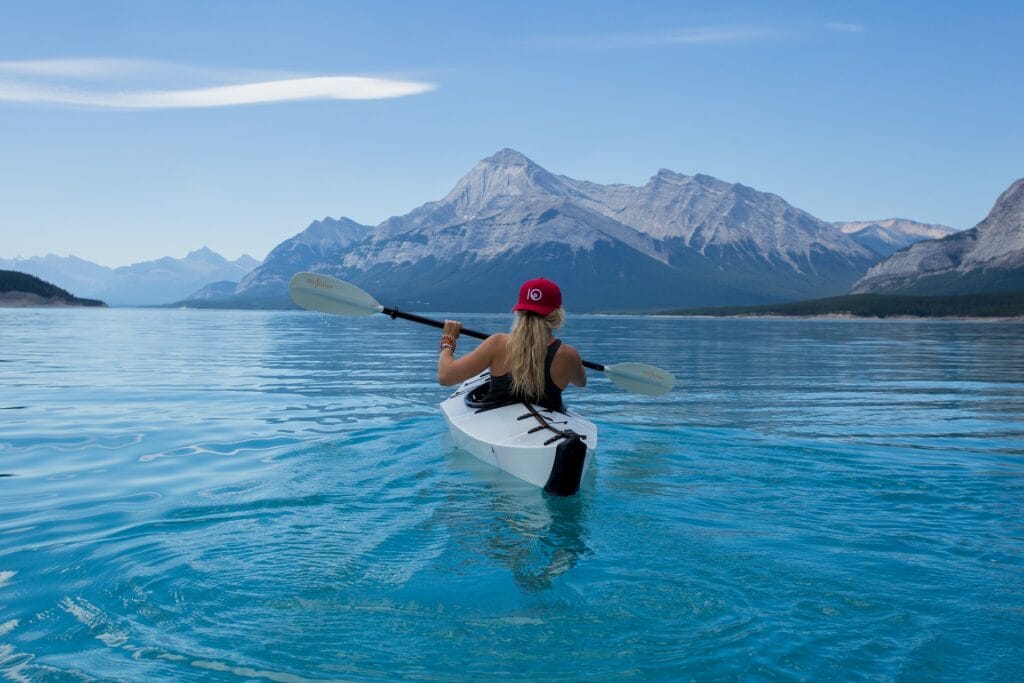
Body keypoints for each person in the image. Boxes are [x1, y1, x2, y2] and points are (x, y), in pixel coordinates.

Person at [437, 277, 586, 410]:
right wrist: (575, 363)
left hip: (495, 419)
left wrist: (448, 340)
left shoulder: (498, 343)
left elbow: (445, 377)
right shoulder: (569, 355)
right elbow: (581, 383)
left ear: (519, 311)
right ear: (557, 315)